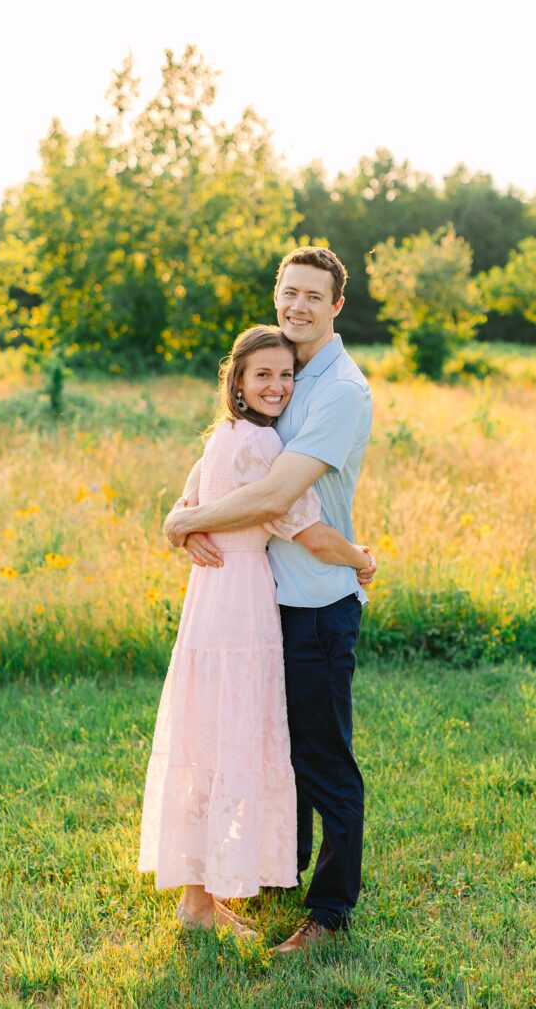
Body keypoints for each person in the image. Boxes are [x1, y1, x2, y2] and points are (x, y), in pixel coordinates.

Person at [166, 247, 374, 953]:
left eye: (314, 296)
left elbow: (278, 495)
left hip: (315, 602)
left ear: (336, 305)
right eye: (290, 293)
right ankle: (278, 872)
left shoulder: (339, 389)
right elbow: (218, 463)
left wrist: (189, 521)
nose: (299, 306)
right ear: (276, 294)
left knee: (322, 761)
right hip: (262, 602)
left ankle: (330, 913)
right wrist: (180, 512)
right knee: (275, 751)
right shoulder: (281, 370)